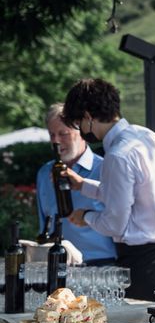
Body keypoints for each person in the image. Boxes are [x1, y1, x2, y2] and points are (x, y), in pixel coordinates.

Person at [60, 78, 155, 301]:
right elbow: (129, 195)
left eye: (78, 123)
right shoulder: (147, 137)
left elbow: (115, 223)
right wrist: (83, 185)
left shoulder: (118, 155)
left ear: (88, 117)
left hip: (143, 260)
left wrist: (85, 216)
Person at [37, 103, 117, 266]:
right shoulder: (45, 173)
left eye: (63, 134)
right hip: (57, 264)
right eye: (51, 134)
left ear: (82, 132)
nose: (56, 141)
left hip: (102, 266)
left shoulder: (105, 169)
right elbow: (44, 225)